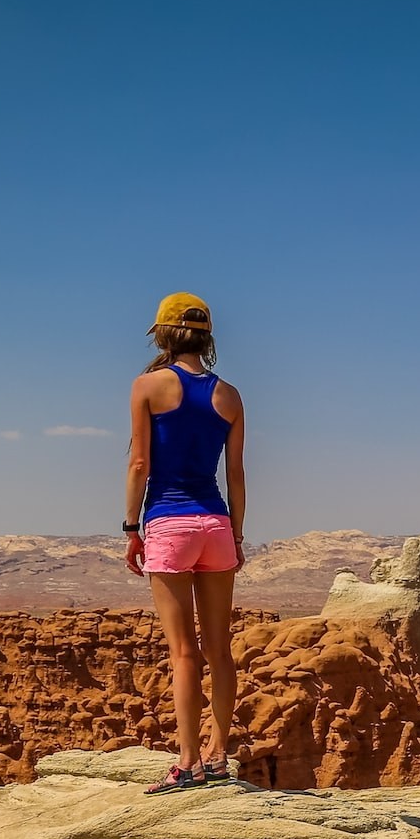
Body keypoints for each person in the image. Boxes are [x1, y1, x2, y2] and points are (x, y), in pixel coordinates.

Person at [124, 291, 246, 793]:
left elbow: (139, 464)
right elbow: (234, 473)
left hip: (170, 524)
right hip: (216, 524)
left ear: (163, 334)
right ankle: (219, 755)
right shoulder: (231, 396)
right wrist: (235, 534)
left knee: (182, 652)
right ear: (207, 336)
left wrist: (132, 528)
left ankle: (188, 761)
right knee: (220, 650)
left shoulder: (148, 386)